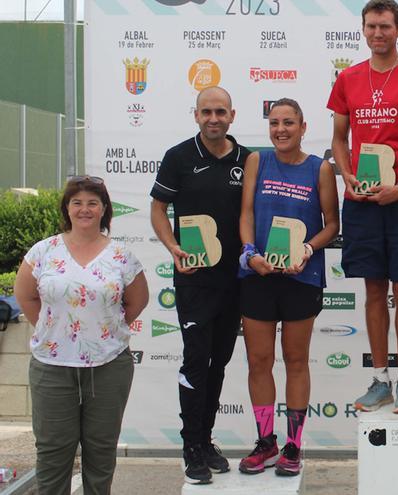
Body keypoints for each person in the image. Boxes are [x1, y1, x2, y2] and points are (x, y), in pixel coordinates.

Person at [327, 0, 398, 414]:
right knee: (373, 289)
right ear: (363, 29)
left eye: (385, 27)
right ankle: (380, 379)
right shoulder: (349, 78)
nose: (378, 33)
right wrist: (348, 175)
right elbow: (340, 139)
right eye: (371, 26)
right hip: (363, 199)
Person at [13, 176, 149, 495]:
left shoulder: (121, 255)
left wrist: (102, 327)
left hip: (108, 366)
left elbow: (136, 301)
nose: (84, 209)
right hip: (52, 367)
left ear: (104, 210)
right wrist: (55, 329)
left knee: (100, 454)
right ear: (67, 208)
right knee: (52, 454)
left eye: (92, 203)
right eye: (77, 202)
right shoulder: (43, 251)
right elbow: (27, 297)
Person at [150, 86, 249, 484]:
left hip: (236, 280)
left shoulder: (248, 159)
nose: (213, 118)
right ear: (195, 115)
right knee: (196, 361)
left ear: (232, 115)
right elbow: (158, 208)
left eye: (220, 111)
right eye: (206, 111)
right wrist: (173, 247)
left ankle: (206, 439)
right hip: (194, 280)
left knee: (219, 362)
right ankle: (190, 445)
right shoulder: (179, 156)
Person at [236, 99, 339, 476]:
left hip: (300, 277)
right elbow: (245, 213)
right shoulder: (257, 162)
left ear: (303, 126)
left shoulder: (320, 169)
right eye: (275, 122)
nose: (281, 129)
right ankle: (266, 442)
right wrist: (249, 253)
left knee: (296, 361)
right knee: (259, 362)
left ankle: (293, 445)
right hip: (259, 275)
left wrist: (308, 249)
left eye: (289, 123)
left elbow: (332, 225)